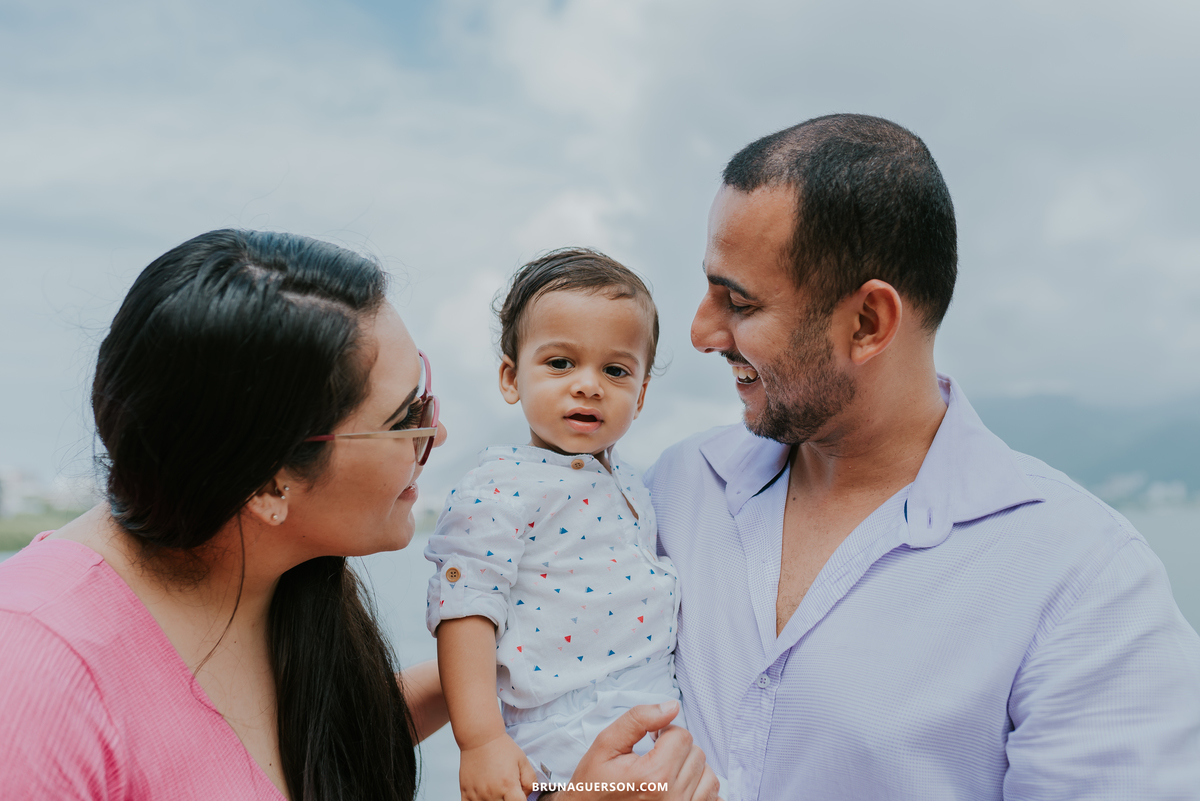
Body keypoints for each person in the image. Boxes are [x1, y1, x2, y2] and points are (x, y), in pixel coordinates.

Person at [644, 114, 1200, 800]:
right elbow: (543, 738)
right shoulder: (668, 490)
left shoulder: (1084, 582)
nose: (700, 331)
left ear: (868, 323)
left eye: (740, 302)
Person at [0, 230, 453, 800]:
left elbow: (257, 756)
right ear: (268, 482)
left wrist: (481, 672)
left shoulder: (273, 578)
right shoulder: (29, 676)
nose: (435, 431)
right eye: (403, 417)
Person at [424, 249, 710, 801]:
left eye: (616, 370)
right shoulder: (500, 486)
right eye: (560, 363)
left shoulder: (632, 481)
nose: (588, 385)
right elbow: (465, 610)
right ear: (511, 377)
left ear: (642, 394)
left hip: (656, 726)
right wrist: (480, 741)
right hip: (561, 737)